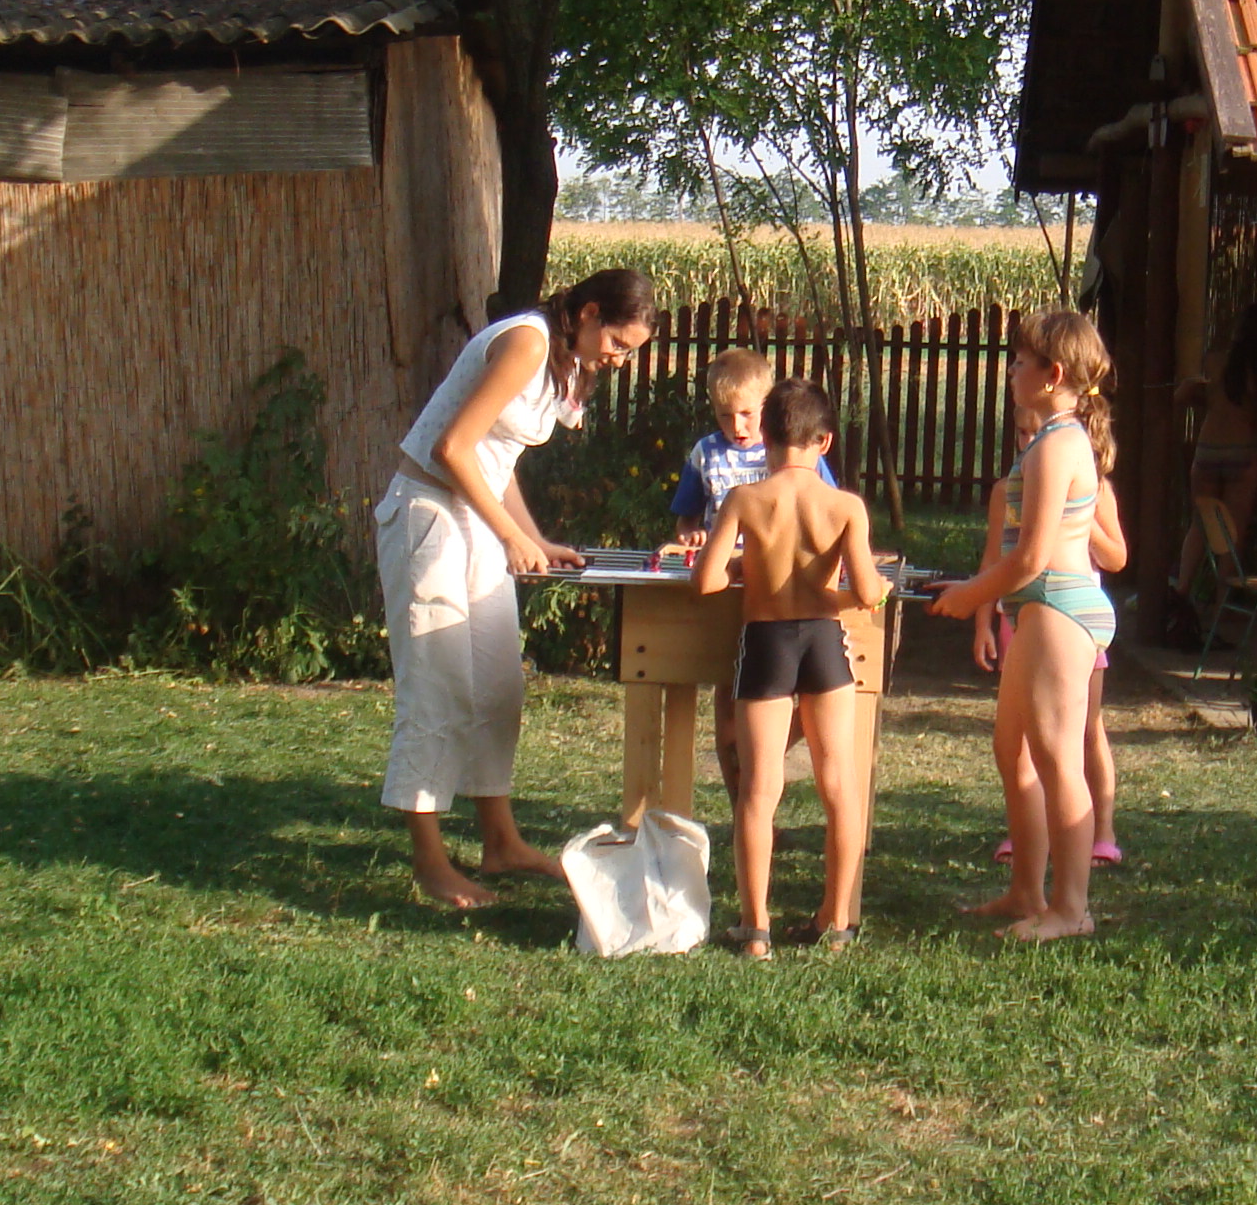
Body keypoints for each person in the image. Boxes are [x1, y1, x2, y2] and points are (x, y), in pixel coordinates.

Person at [375, 269, 656, 908]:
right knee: (438, 687)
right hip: (427, 516)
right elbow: (452, 448)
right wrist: (509, 538)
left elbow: (494, 462)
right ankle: (431, 862)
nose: (619, 359)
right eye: (618, 343)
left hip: (474, 520)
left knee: (499, 687)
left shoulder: (562, 362)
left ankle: (501, 844)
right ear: (589, 313)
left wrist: (534, 537)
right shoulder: (528, 341)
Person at [934, 309, 1116, 943]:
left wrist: (972, 596)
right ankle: (1026, 892)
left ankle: (1071, 909)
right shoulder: (1050, 441)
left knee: (1058, 757)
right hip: (1040, 607)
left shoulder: (1060, 446)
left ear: (1052, 374)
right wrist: (981, 595)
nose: (1011, 370)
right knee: (1012, 750)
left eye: (1019, 361)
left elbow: (1033, 556)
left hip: (1057, 607)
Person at [690, 378, 884, 958]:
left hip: (766, 641)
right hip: (824, 641)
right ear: (824, 442)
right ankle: (838, 922)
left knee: (759, 788)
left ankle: (756, 928)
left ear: (767, 438)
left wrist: (744, 568)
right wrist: (869, 589)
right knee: (839, 784)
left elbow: (706, 581)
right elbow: (867, 591)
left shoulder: (745, 500)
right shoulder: (846, 506)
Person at [665, 347, 839, 809]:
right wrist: (691, 535)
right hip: (725, 588)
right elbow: (685, 520)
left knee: (796, 705)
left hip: (783, 592)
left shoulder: (793, 449)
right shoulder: (705, 453)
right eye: (725, 416)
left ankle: (760, 772)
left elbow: (828, 508)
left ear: (768, 408)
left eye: (747, 414)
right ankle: (744, 806)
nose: (737, 427)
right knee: (728, 708)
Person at [979, 409, 1130, 870]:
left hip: (1072, 620)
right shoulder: (1008, 490)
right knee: (1021, 738)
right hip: (1021, 615)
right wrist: (982, 621)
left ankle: (1102, 831)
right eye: (1022, 434)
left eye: (1036, 432)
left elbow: (1117, 557)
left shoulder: (1095, 488)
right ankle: (1028, 835)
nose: (1029, 441)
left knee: (1085, 729)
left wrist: (1079, 517)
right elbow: (993, 560)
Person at [1176, 305, 1257, 596]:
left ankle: (1182, 591)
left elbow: (1199, 395)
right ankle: (1220, 599)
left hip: (1207, 450)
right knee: (1234, 529)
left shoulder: (1214, 362)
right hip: (1243, 453)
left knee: (1201, 523)